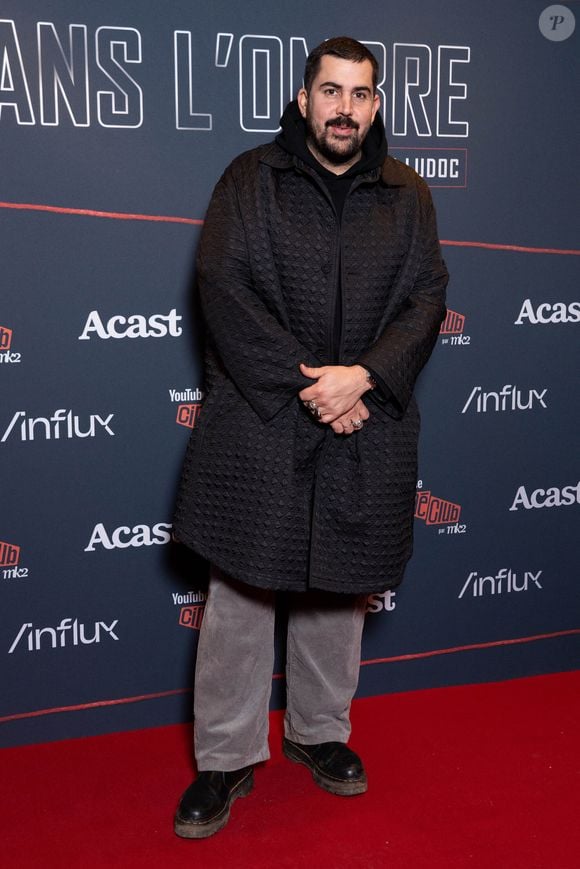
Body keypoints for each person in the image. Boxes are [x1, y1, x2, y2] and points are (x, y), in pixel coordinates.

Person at [172, 36, 448, 838]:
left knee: (340, 587)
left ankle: (321, 734)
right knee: (241, 596)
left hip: (366, 416)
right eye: (331, 91)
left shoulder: (408, 194)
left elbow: (428, 296)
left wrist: (362, 377)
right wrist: (311, 385)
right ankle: (225, 757)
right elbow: (224, 289)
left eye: (361, 95)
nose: (344, 109)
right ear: (303, 99)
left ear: (376, 105)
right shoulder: (250, 180)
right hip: (262, 419)